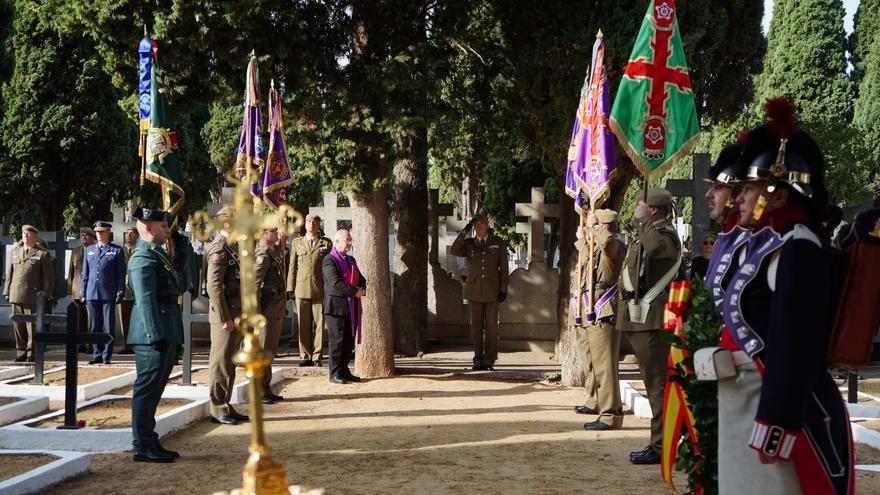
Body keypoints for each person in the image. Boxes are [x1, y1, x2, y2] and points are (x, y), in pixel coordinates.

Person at [717, 98, 853, 494]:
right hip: (750, 402)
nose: (739, 197)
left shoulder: (800, 246)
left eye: (749, 187)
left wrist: (776, 423)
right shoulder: (770, 242)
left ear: (777, 193)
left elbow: (796, 344)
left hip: (790, 415)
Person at [617, 188, 682, 465]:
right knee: (651, 383)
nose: (637, 207)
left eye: (642, 205)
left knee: (657, 387)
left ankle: (660, 446)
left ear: (653, 209)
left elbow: (656, 250)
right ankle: (659, 442)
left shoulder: (665, 235)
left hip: (653, 319)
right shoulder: (645, 232)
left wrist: (643, 222)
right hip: (639, 319)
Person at [127, 207, 182, 463]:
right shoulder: (142, 258)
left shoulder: (157, 254)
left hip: (164, 329)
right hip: (153, 334)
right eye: (162, 225)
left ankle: (150, 440)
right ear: (148, 227)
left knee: (155, 389)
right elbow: (146, 299)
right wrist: (154, 334)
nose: (167, 229)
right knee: (146, 390)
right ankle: (142, 444)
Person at [571, 209, 626, 430]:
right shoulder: (598, 249)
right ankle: (596, 401)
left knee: (605, 366)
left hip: (604, 311)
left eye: (597, 226)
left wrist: (592, 227)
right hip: (589, 309)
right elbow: (587, 263)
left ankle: (610, 415)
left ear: (604, 227)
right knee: (592, 362)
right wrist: (582, 240)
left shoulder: (615, 247)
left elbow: (609, 245)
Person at [205, 207, 248, 425]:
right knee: (220, 362)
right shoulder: (219, 249)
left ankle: (225, 403)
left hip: (236, 313)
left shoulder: (233, 247)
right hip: (225, 316)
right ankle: (217, 408)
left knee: (230, 362)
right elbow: (214, 287)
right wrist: (225, 318)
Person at [450, 214, 509, 371]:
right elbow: (454, 250)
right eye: (475, 224)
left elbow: (504, 268)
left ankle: (489, 360)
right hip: (474, 291)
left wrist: (503, 289)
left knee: (491, 328)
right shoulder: (469, 243)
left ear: (487, 224)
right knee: (475, 328)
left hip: (492, 291)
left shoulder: (498, 243)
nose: (478, 226)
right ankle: (478, 359)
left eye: (481, 223)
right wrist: (464, 231)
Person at [4, 225, 54, 362]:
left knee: (31, 325)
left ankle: (32, 352)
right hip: (16, 293)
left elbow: (48, 278)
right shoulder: (15, 252)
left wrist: (46, 294)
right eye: (24, 233)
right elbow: (10, 274)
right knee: (18, 325)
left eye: (28, 234)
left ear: (35, 236)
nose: (25, 236)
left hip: (33, 295)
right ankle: (21, 352)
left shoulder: (42, 254)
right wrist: (7, 291)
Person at [287, 214, 332, 367]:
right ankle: (304, 355)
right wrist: (290, 288)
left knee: (319, 324)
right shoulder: (297, 243)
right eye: (309, 222)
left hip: (320, 288)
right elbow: (292, 267)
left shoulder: (326, 243)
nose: (312, 224)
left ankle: (317, 355)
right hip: (301, 288)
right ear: (305, 224)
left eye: (315, 222)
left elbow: (329, 267)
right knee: (303, 324)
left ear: (319, 224)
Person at [322, 229, 366, 384]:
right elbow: (335, 284)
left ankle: (344, 370)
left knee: (348, 341)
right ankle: (334, 374)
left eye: (350, 240)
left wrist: (362, 289)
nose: (349, 243)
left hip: (351, 307)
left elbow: (361, 279)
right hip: (335, 308)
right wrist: (355, 292)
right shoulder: (329, 260)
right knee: (337, 342)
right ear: (337, 241)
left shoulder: (351, 260)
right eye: (346, 240)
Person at [81, 221, 126, 365]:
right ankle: (96, 354)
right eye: (97, 232)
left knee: (108, 325)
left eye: (102, 232)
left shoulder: (117, 250)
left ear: (108, 233)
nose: (99, 234)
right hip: (92, 293)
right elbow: (85, 274)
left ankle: (106, 355)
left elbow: (121, 274)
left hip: (108, 293)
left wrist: (120, 290)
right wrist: (83, 292)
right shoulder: (89, 250)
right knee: (95, 325)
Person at [255, 227, 286, 403]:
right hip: (266, 310)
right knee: (264, 350)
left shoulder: (272, 251)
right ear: (264, 233)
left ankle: (265, 388)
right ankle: (260, 390)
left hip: (275, 308)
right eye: (273, 231)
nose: (277, 233)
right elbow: (255, 285)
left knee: (270, 350)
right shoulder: (263, 253)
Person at [67, 227, 95, 338]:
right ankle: (81, 342)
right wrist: (70, 289)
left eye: (86, 235)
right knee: (80, 317)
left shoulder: (96, 250)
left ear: (93, 237)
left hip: (92, 287)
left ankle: (92, 342)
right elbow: (71, 271)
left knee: (93, 316)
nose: (84, 237)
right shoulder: (76, 251)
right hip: (77, 288)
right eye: (82, 235)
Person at [117, 226, 139, 354]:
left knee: (137, 319)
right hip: (124, 291)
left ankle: (137, 345)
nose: (129, 235)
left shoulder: (141, 250)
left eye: (132, 233)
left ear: (137, 236)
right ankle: (127, 345)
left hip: (137, 290)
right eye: (127, 233)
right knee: (124, 319)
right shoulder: (120, 251)